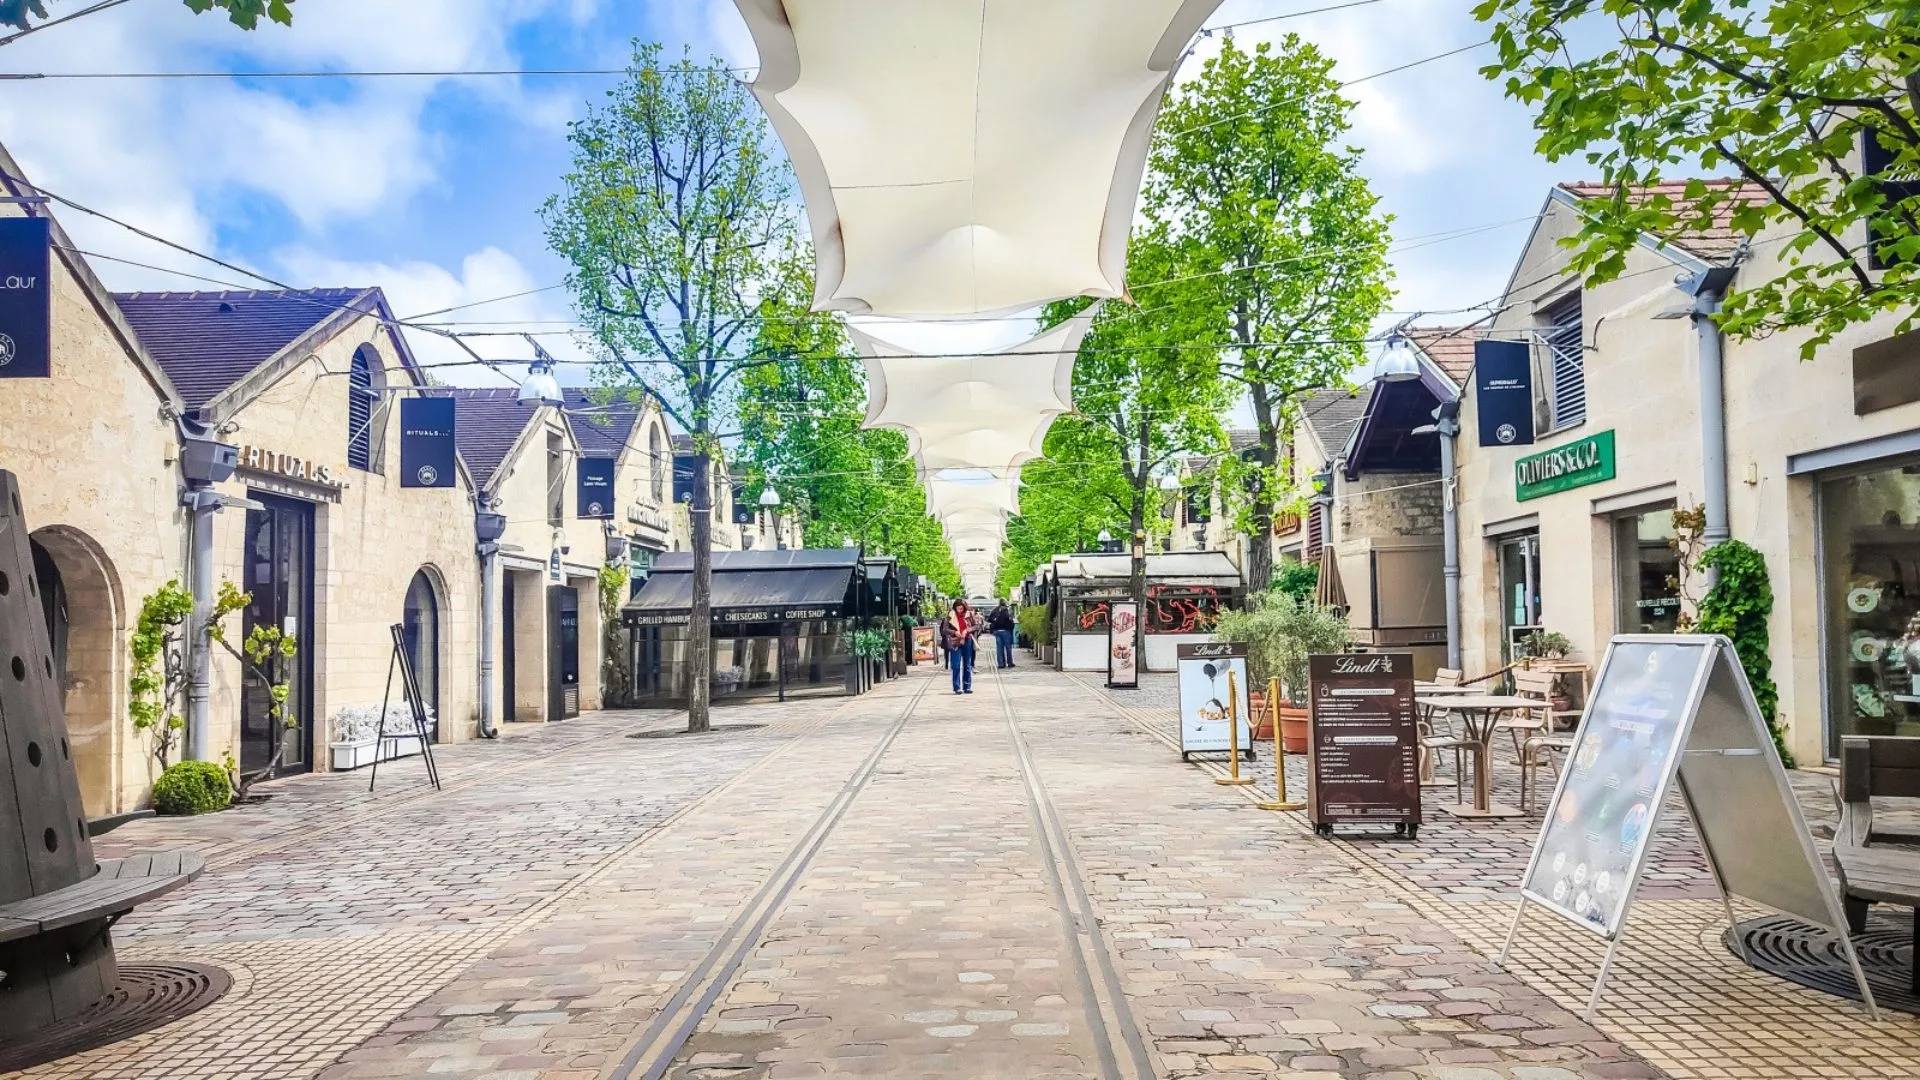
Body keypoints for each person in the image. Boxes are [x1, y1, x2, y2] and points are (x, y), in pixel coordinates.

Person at [941, 599, 978, 694]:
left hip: (967, 640)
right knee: (956, 664)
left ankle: (967, 686)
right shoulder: (951, 615)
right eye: (958, 608)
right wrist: (954, 632)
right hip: (955, 641)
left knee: (967, 664)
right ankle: (957, 687)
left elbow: (977, 626)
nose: (960, 610)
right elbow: (945, 629)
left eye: (961, 608)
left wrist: (967, 630)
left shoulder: (969, 614)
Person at [989, 601, 1016, 669]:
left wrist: (995, 624)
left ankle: (1001, 663)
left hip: (997, 631)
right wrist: (1010, 627)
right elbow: (1010, 619)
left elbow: (989, 619)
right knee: (1008, 648)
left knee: (999, 648)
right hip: (1005, 631)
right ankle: (1009, 662)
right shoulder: (1006, 610)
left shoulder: (995, 610)